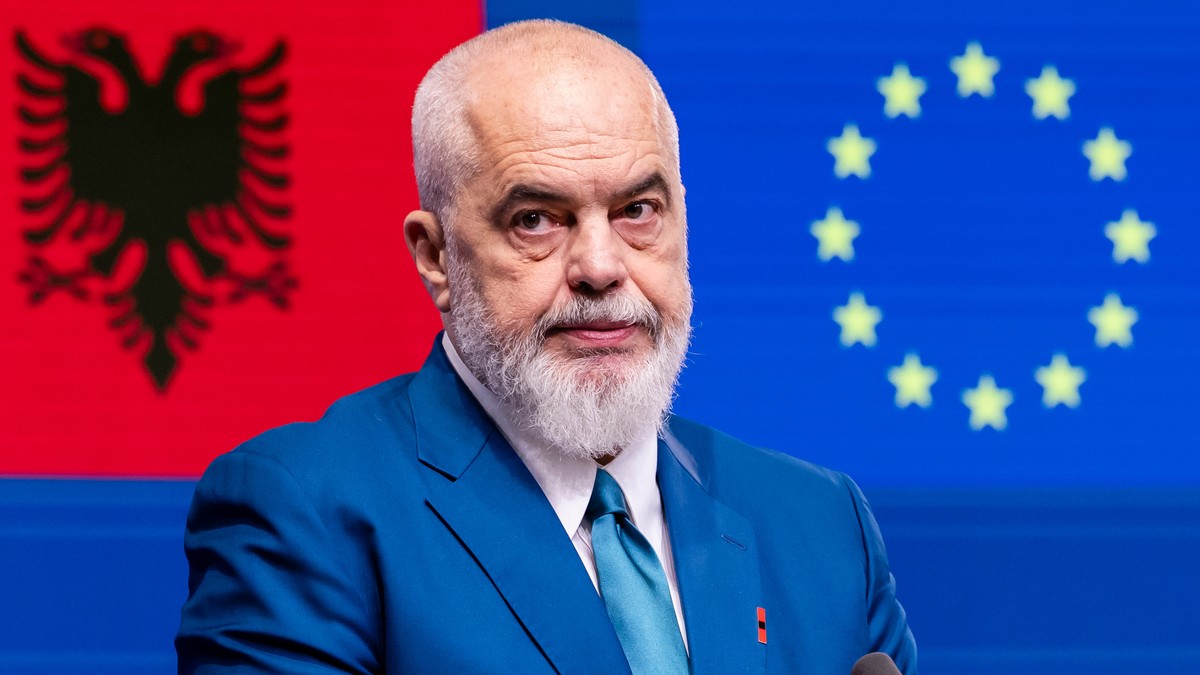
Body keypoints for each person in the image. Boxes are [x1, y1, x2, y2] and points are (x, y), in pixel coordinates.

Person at [177, 19, 917, 674]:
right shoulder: (305, 510)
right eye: (535, 219)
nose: (600, 266)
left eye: (637, 210)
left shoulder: (823, 522)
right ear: (436, 256)